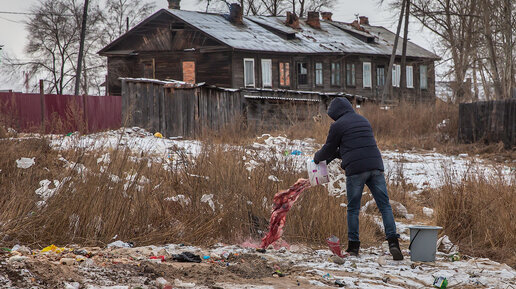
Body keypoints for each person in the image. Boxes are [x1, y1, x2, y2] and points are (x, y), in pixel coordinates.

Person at [314, 97, 403, 260]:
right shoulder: (363, 120)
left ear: (335, 113)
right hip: (376, 166)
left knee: (353, 208)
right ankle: (393, 243)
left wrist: (317, 158)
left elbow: (328, 149)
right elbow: (352, 147)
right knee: (385, 206)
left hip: (356, 170)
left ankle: (354, 247)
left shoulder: (337, 126)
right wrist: (335, 156)